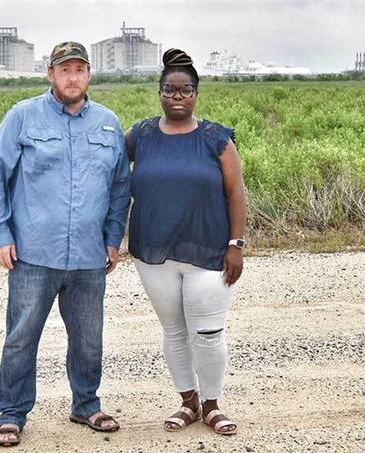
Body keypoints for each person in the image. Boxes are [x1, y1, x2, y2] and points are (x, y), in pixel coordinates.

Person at [0, 41, 130, 447]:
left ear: (89, 75)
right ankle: (11, 413)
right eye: (65, 70)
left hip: (88, 256)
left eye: (80, 70)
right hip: (33, 254)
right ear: (50, 74)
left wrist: (113, 237)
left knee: (88, 337)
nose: (72, 77)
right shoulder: (23, 117)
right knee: (22, 336)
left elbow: (120, 186)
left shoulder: (107, 123)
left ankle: (86, 404)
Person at [124, 48, 247, 435]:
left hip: (209, 249)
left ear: (196, 94)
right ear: (159, 92)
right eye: (170, 90)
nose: (178, 97)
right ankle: (188, 403)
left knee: (208, 334)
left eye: (186, 90)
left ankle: (212, 405)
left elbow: (236, 193)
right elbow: (107, 173)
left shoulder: (216, 138)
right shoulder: (140, 135)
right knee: (174, 331)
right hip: (153, 252)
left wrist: (236, 244)